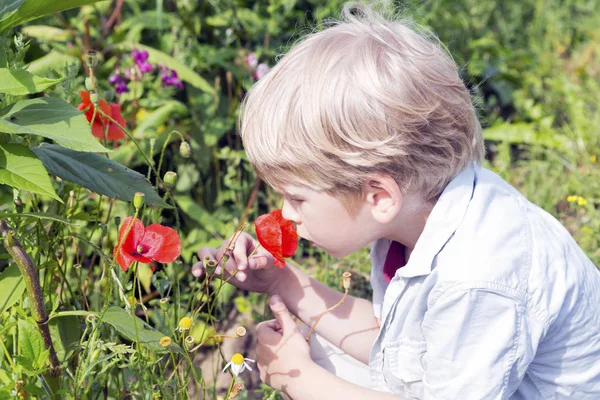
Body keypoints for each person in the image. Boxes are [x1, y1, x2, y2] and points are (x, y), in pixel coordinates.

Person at [192, 3, 600, 399]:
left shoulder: (478, 276)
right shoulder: (418, 215)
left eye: (297, 197)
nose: (284, 214)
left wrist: (300, 383)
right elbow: (399, 350)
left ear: (380, 196)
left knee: (310, 368)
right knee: (310, 350)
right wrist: (283, 281)